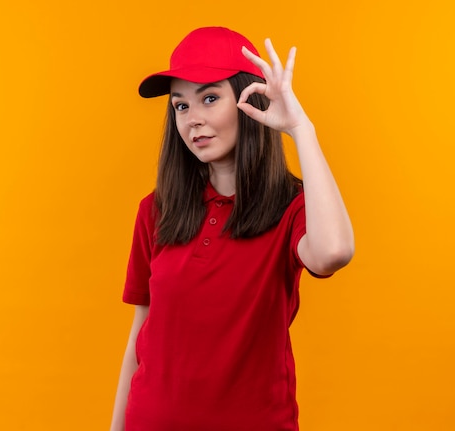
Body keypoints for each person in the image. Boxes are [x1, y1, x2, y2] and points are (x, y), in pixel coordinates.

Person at [110, 26, 354, 431]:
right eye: (181, 106)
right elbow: (142, 335)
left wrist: (300, 129)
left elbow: (332, 253)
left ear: (250, 99)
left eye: (209, 98)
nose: (193, 120)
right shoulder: (156, 210)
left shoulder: (290, 208)